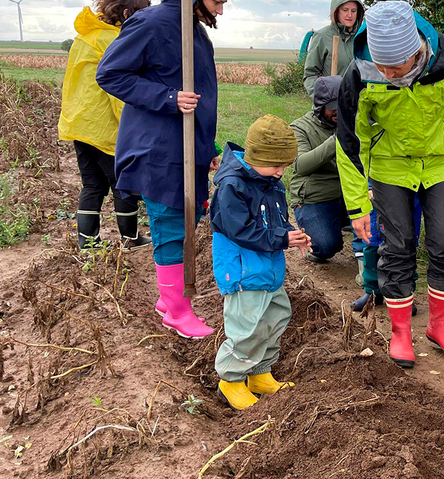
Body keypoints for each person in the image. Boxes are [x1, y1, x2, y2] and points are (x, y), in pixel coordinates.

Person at [336, 0, 444, 368]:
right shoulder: (359, 72)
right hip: (389, 168)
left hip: (440, 165)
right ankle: (401, 332)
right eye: (382, 65)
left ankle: (440, 326)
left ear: (417, 51)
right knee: (398, 245)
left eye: (397, 65)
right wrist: (358, 206)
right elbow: (349, 142)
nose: (388, 73)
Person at [97, 0, 224, 339]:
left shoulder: (196, 32)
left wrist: (205, 146)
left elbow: (202, 99)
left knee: (187, 219)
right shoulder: (150, 23)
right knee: (171, 224)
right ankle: (178, 312)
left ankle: (168, 301)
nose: (222, 11)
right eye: (218, 1)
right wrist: (168, 98)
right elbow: (109, 73)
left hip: (187, 146)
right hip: (160, 149)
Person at [209, 116, 311, 410]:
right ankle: (231, 381)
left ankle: (259, 374)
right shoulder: (232, 187)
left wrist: (293, 233)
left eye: (285, 166)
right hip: (244, 273)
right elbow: (240, 231)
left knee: (275, 318)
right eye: (276, 165)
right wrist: (282, 238)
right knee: (248, 329)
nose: (281, 172)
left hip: (268, 271)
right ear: (255, 158)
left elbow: (277, 221)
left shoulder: (270, 182)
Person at [58, 0, 151, 251]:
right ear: (125, 13)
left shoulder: (84, 36)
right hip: (104, 127)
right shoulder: (114, 40)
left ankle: (88, 244)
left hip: (79, 123)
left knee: (92, 185)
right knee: (123, 183)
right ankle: (130, 239)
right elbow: (118, 91)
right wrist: (133, 127)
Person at [288, 75, 354, 264]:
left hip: (349, 193)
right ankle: (315, 238)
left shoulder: (353, 121)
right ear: (319, 105)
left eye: (343, 104)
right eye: (333, 106)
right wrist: (337, 139)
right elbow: (301, 165)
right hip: (316, 195)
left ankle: (342, 222)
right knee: (326, 246)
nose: (338, 111)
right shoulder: (299, 127)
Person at [303, 0, 365, 97]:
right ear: (336, 12)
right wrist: (324, 102)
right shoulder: (322, 36)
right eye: (345, 10)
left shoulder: (363, 36)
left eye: (353, 11)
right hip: (332, 103)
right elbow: (310, 75)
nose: (350, 15)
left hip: (361, 104)